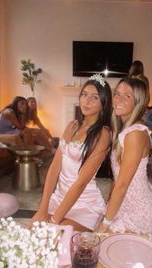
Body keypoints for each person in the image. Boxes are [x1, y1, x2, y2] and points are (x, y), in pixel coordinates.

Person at [31, 74, 112, 231]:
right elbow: (54, 168)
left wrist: (54, 220)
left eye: (94, 97)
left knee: (57, 238)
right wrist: (43, 208)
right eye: (84, 94)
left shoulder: (103, 134)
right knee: (32, 233)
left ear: (104, 103)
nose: (86, 101)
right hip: (59, 198)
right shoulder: (72, 125)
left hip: (84, 204)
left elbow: (81, 183)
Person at [96, 77, 152, 234]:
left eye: (127, 96)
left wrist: (105, 224)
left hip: (137, 210)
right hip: (125, 203)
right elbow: (118, 180)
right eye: (117, 94)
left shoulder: (135, 133)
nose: (118, 99)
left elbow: (122, 184)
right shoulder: (127, 129)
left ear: (138, 102)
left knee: (98, 242)